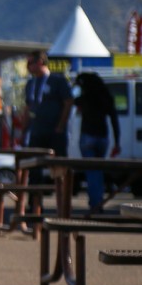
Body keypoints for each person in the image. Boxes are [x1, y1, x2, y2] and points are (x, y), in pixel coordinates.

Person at [72, 72, 121, 213]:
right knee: (97, 170)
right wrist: (117, 141)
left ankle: (95, 203)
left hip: (87, 136)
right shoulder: (106, 98)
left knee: (92, 172)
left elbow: (73, 101)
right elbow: (114, 120)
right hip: (103, 137)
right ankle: (97, 200)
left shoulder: (85, 97)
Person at [23, 50, 73, 181]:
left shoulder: (57, 80)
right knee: (34, 168)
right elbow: (28, 107)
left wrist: (61, 126)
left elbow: (68, 102)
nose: (28, 66)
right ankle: (35, 200)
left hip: (55, 132)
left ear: (40, 62)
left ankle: (62, 199)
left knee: (59, 169)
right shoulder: (30, 84)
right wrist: (24, 128)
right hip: (36, 132)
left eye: (30, 62)